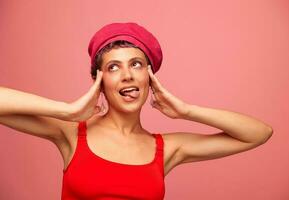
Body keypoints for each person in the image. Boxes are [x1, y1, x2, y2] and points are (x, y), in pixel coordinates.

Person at [0, 22, 273, 200]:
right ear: (100, 81)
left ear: (149, 78)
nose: (127, 75)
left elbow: (258, 133)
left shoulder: (165, 148)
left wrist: (186, 111)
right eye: (113, 67)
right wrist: (68, 110)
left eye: (137, 64)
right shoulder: (72, 132)